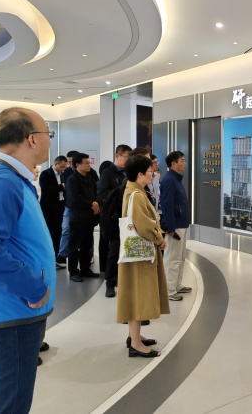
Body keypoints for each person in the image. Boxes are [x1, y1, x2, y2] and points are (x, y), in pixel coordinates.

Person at [0, 107, 55, 414]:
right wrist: (33, 287)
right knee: (10, 405)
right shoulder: (4, 182)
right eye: (48, 134)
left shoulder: (14, 179)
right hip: (12, 314)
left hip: (16, 311)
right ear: (32, 139)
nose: (49, 140)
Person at [118, 155, 170, 358]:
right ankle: (136, 344)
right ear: (140, 174)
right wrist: (159, 238)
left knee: (135, 295)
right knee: (138, 297)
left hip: (136, 256)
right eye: (150, 171)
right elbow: (144, 225)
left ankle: (134, 336)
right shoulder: (137, 195)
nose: (153, 174)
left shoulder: (133, 190)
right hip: (140, 257)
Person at [98, 145, 132, 297]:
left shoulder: (129, 173)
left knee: (128, 250)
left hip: (128, 218)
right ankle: (110, 283)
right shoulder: (108, 173)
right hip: (114, 219)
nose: (128, 160)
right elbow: (102, 195)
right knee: (114, 250)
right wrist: (119, 196)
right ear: (117, 156)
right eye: (126, 157)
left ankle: (124, 279)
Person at [160, 151, 192, 301]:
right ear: (173, 164)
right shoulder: (169, 180)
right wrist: (170, 227)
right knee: (172, 258)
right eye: (182, 160)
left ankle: (176, 285)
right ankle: (169, 290)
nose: (184, 163)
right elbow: (167, 205)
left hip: (181, 224)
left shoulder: (176, 179)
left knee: (180, 257)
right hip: (175, 226)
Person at [65, 152, 100, 282]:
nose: (89, 165)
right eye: (86, 163)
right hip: (77, 218)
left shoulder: (89, 178)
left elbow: (95, 194)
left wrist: (96, 203)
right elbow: (75, 199)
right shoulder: (72, 180)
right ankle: (73, 271)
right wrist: (92, 204)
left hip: (89, 217)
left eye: (89, 162)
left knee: (87, 245)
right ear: (77, 165)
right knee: (75, 246)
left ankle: (85, 269)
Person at [40, 155, 68, 269]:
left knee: (58, 233)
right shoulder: (46, 174)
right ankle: (48, 258)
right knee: (50, 232)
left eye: (65, 167)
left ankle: (57, 257)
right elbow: (46, 189)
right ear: (56, 164)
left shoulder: (62, 175)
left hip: (60, 206)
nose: (63, 169)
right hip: (49, 208)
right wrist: (61, 187)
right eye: (62, 167)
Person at [57, 149, 79, 265]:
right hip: (69, 206)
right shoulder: (66, 172)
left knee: (85, 234)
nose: (69, 164)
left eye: (71, 162)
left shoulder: (89, 173)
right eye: (68, 162)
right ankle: (62, 256)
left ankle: (88, 255)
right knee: (65, 230)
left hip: (83, 208)